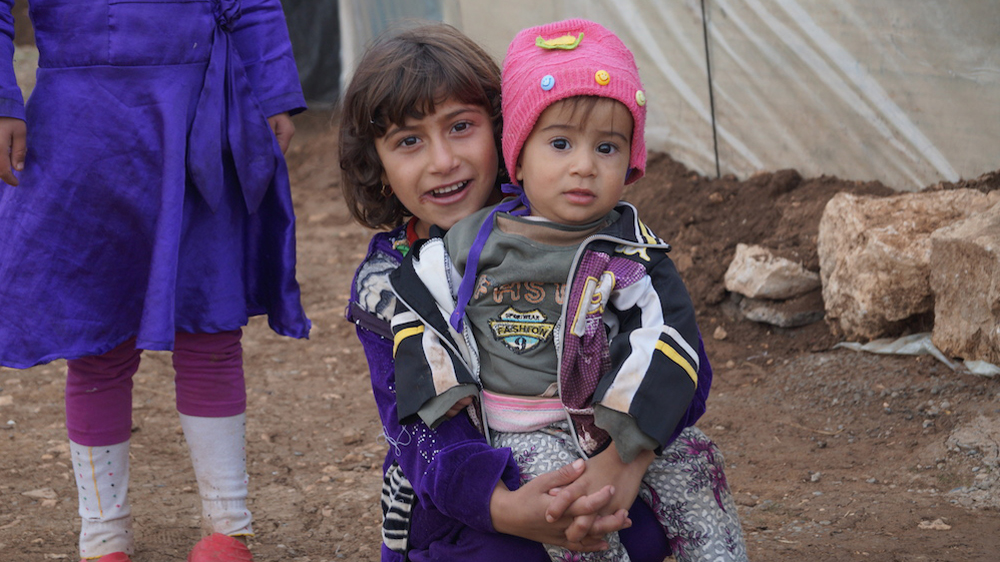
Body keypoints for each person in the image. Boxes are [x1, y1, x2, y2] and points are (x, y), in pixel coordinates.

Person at [341, 20, 740, 562]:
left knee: (649, 507)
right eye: (409, 141)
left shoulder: (588, 235)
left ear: (508, 132)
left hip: (597, 457)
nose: (442, 161)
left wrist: (625, 460)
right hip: (464, 503)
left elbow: (684, 364)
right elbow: (417, 422)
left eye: (461, 127)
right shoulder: (392, 282)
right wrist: (502, 507)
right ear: (380, 167)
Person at [0, 2, 310, 561]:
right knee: (96, 338)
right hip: (81, 133)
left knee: (211, 325)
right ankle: (102, 537)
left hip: (200, 115)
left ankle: (229, 530)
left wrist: (271, 84)